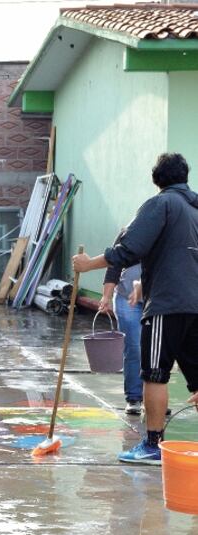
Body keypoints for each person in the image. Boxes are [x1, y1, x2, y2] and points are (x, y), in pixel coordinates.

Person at [74, 152, 198, 465]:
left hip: (168, 304)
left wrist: (89, 264)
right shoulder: (194, 209)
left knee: (155, 374)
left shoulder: (161, 204)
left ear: (157, 179)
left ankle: (153, 444)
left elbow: (129, 249)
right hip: (194, 304)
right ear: (185, 176)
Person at [100, 261, 144, 415]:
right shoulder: (128, 237)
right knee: (134, 347)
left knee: (156, 349)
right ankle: (134, 397)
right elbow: (114, 265)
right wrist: (106, 296)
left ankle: (155, 396)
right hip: (127, 298)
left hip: (157, 299)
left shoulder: (169, 238)